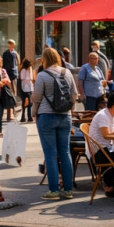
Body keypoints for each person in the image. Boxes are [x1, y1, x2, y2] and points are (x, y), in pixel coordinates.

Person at [33, 47, 77, 200]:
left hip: (46, 115)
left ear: (44, 59)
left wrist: (33, 113)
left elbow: (36, 97)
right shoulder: (67, 72)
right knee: (65, 153)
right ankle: (69, 190)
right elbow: (74, 94)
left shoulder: (42, 75)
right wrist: (70, 110)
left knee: (50, 154)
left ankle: (53, 191)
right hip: (65, 116)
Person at [2, 40, 20, 121]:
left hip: (13, 74)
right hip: (7, 74)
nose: (11, 46)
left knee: (13, 92)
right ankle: (10, 112)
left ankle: (12, 111)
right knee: (9, 93)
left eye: (12, 44)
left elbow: (18, 63)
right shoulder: (5, 53)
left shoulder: (15, 53)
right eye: (10, 44)